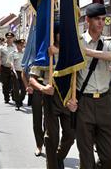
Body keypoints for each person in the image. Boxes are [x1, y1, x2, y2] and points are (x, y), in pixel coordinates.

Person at [66, 3, 111, 169]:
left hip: (105, 102)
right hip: (84, 102)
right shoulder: (77, 42)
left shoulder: (109, 42)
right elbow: (67, 74)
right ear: (87, 20)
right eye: (97, 19)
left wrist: (88, 52)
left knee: (110, 156)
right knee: (86, 156)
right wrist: (69, 99)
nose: (101, 23)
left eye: (104, 19)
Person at [29, 25, 75, 169]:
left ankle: (58, 157)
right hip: (51, 96)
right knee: (52, 137)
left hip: (68, 97)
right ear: (54, 35)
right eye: (59, 33)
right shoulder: (45, 53)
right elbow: (32, 78)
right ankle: (52, 165)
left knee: (70, 135)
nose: (62, 36)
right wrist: (43, 88)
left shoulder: (72, 52)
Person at [0, 32, 16, 103]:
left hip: (13, 69)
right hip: (4, 68)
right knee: (5, 84)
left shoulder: (16, 47)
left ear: (13, 38)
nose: (9, 39)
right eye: (8, 37)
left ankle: (14, 95)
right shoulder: (1, 47)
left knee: (14, 83)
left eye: (11, 38)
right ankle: (6, 97)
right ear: (6, 38)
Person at [8, 39, 26, 110]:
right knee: (16, 88)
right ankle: (17, 103)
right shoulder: (13, 53)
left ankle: (20, 99)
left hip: (24, 72)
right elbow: (11, 62)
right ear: (17, 45)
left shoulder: (25, 53)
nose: (21, 46)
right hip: (16, 72)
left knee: (24, 90)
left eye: (22, 45)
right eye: (20, 45)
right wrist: (13, 68)